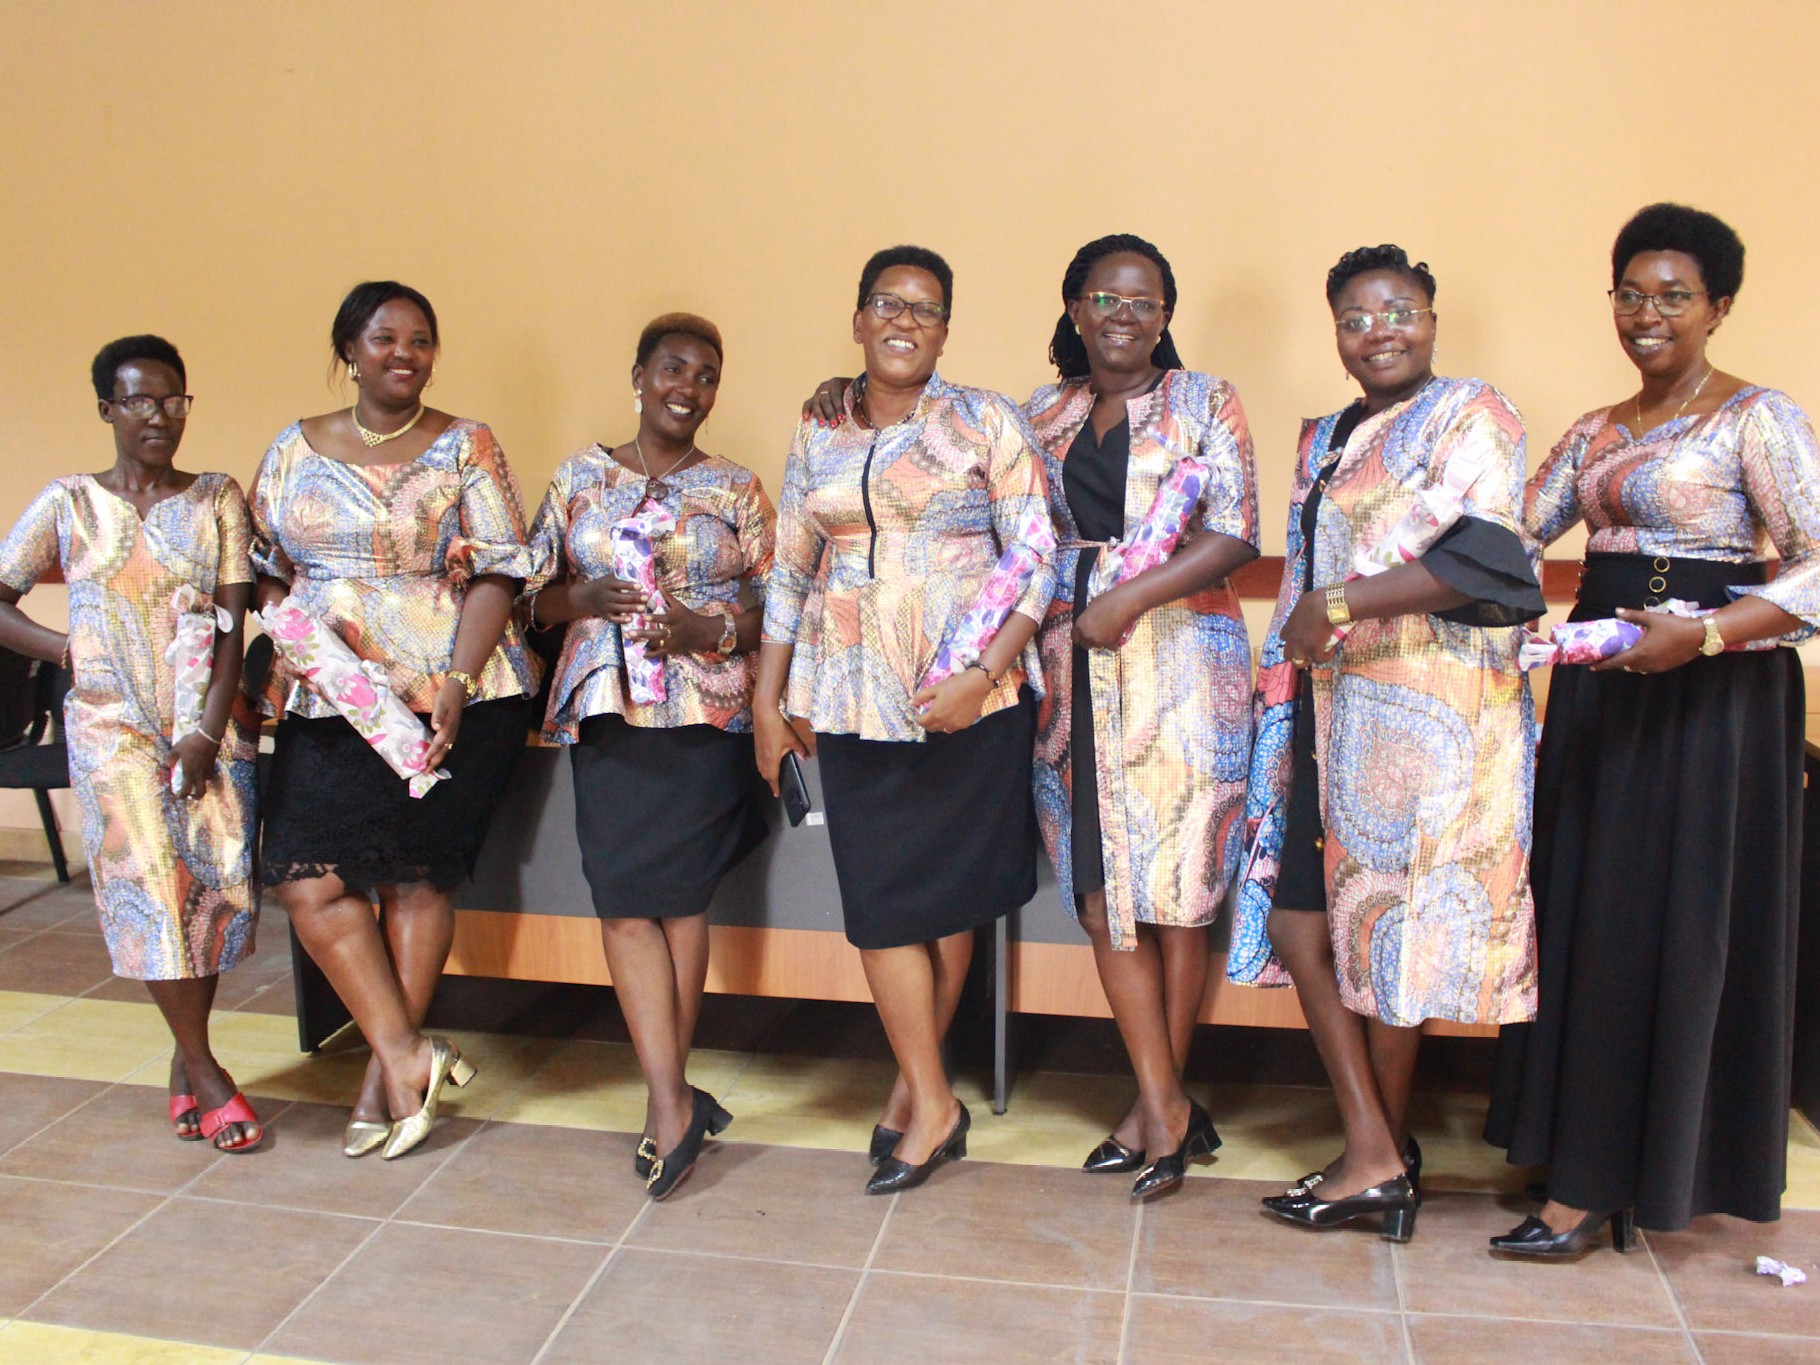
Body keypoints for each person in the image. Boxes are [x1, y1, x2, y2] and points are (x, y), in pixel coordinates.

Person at [806, 233, 1260, 1199]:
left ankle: (1158, 1104)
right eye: (1103, 297)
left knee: (1178, 895)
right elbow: (957, 475)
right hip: (1068, 661)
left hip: (1181, 658)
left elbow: (1236, 530)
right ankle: (1165, 1100)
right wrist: (839, 400)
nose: (1123, 314)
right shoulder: (1037, 412)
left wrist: (1131, 599)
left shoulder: (1205, 400)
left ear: (1166, 314)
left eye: (1143, 300)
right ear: (1075, 309)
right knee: (1102, 889)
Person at [1485, 204, 1820, 1255]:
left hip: (1713, 700)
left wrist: (1707, 637)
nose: (1645, 314)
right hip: (1603, 692)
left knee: (1669, 927)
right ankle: (1578, 1148)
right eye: (1628, 293)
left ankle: (1614, 1179)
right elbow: (1503, 529)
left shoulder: (1754, 418)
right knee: (1587, 913)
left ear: (1717, 306)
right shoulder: (1593, 428)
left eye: (1671, 295)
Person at [1237, 245, 1545, 1241]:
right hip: (1327, 715)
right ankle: (1374, 1145)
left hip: (1433, 719)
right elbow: (1301, 582)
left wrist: (1336, 603)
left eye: (1398, 310)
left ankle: (1373, 1153)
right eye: (1355, 318)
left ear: (1430, 318)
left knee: (1391, 934)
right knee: (1303, 925)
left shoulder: (1473, 413)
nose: (1378, 331)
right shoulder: (1323, 435)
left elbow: (1487, 559)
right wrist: (1277, 694)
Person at [756, 245, 1057, 1195]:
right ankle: (936, 1097)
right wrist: (769, 699)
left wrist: (982, 672)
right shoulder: (819, 426)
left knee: (946, 897)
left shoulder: (985, 419)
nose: (905, 320)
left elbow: (1037, 555)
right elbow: (788, 565)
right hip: (850, 694)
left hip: (969, 701)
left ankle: (917, 1089)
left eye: (926, 309)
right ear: (857, 319)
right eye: (887, 303)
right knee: (882, 906)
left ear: (945, 330)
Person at [251, 281, 539, 1160]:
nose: (404, 353)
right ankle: (409, 1048)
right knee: (312, 880)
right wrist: (302, 634)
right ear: (348, 348)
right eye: (384, 338)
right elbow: (259, 567)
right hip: (328, 696)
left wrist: (457, 674)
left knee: (417, 878)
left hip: (452, 700)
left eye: (421, 339)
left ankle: (386, 1078)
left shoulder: (467, 444)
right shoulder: (293, 449)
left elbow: (500, 569)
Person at [526, 313, 774, 1200]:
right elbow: (528, 596)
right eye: (674, 368)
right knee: (624, 901)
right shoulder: (578, 478)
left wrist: (711, 627)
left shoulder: (739, 489)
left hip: (706, 716)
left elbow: (778, 605)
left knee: (678, 901)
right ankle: (672, 1096)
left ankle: (667, 1106)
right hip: (609, 713)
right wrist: (578, 596)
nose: (690, 386)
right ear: (638, 375)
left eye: (707, 375)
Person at [0, 335, 262, 1151]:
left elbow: (231, 626)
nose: (159, 416)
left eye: (174, 399)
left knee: (208, 890)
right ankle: (210, 1072)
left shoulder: (216, 497)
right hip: (109, 731)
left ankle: (185, 1061)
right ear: (107, 410)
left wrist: (205, 733)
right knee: (150, 886)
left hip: (206, 728)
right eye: (140, 401)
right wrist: (68, 652)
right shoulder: (68, 503)